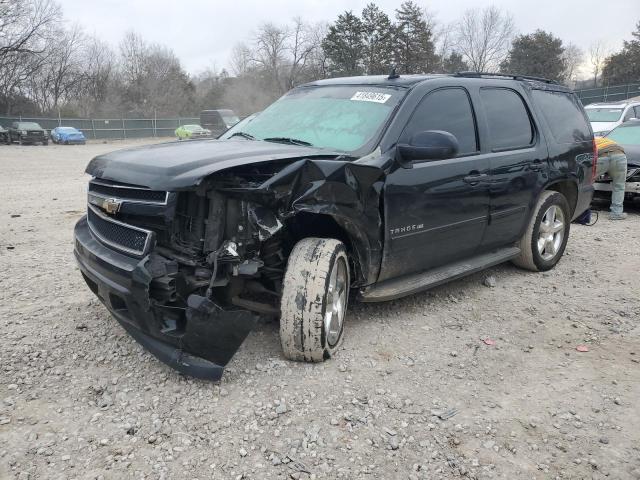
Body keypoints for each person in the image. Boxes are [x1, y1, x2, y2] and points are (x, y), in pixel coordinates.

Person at [595, 137, 628, 220]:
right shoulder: (606, 139)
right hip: (620, 156)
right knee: (619, 186)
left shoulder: (587, 141)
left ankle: (581, 211)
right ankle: (616, 213)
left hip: (602, 157)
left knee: (587, 183)